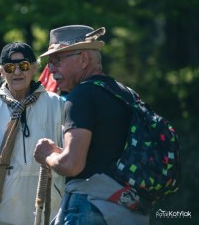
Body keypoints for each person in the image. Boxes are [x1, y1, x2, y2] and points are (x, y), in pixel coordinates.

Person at [33, 25, 149, 225]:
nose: (50, 68)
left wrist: (48, 154)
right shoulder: (126, 94)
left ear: (84, 59)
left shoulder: (81, 96)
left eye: (57, 60)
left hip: (91, 209)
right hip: (130, 211)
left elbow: (72, 165)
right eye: (50, 62)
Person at [0, 42, 65, 225]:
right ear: (1, 72)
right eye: (10, 68)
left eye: (24, 66)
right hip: (4, 210)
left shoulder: (56, 104)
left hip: (49, 208)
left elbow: (69, 154)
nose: (17, 72)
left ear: (34, 68)